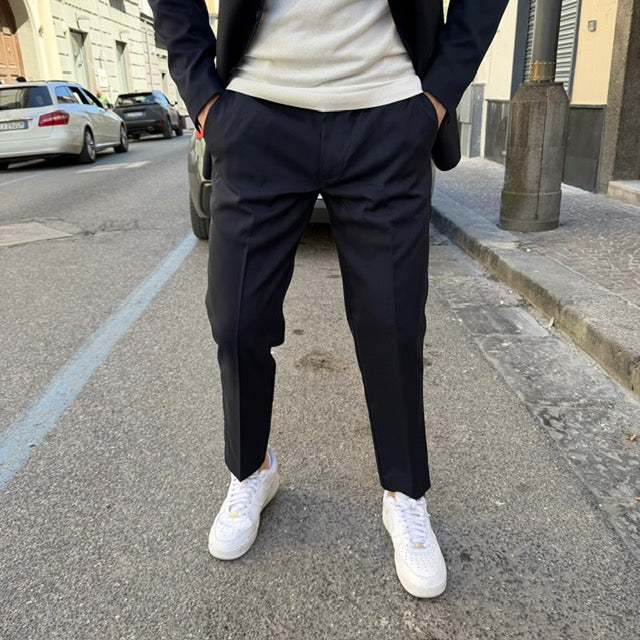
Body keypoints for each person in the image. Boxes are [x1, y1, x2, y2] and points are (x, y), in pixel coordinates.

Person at [150, 0, 508, 598]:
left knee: (392, 324)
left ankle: (405, 492)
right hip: (257, 110)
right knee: (236, 319)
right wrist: (205, 95)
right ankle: (251, 469)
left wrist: (438, 95)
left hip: (388, 107)